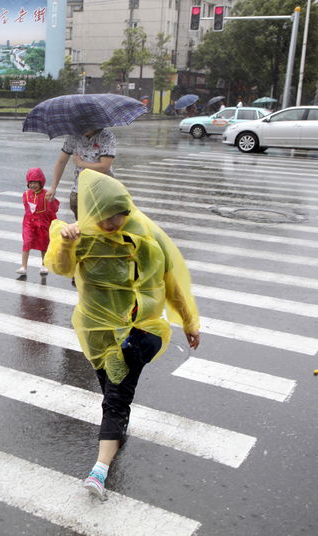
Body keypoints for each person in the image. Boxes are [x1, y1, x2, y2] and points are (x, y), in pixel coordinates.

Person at [44, 169, 200, 501]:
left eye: (121, 218)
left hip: (136, 333)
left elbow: (170, 283)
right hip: (97, 333)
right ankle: (118, 429)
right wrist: (67, 244)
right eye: (108, 221)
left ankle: (98, 471)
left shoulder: (143, 237)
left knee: (114, 399)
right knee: (111, 388)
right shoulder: (79, 236)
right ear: (92, 214)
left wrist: (188, 320)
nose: (116, 226)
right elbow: (61, 268)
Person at [44, 128, 116, 222]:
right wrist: (53, 187)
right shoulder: (73, 136)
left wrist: (81, 163)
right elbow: (61, 162)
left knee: (103, 228)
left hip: (102, 192)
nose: (82, 126)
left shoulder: (106, 136)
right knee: (82, 229)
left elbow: (105, 166)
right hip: (79, 191)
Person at [17, 167, 59, 276]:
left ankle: (44, 264)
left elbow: (54, 208)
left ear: (41, 182)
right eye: (31, 182)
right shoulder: (26, 195)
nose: (33, 185)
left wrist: (52, 200)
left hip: (42, 224)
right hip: (29, 223)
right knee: (27, 242)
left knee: (44, 244)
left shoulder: (47, 194)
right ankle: (23, 266)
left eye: (36, 182)